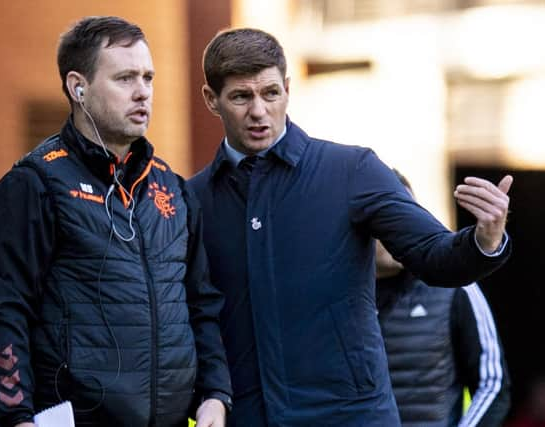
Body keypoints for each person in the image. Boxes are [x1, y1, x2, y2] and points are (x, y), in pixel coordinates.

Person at [188, 27, 512, 426]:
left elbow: (434, 255)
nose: (259, 111)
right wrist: (213, 397)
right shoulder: (195, 200)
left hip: (352, 417)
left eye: (270, 93)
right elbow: (195, 317)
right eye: (241, 96)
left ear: (288, 89)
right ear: (211, 100)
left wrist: (485, 239)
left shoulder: (352, 171)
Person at [0, 16, 232, 427]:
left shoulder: (173, 190)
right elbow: (4, 312)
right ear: (79, 87)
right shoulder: (33, 185)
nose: (143, 92)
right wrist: (17, 418)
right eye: (125, 78)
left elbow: (201, 305)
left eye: (148, 77)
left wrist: (216, 395)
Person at [376, 169, 510, 426]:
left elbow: (492, 386)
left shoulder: (456, 287)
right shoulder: (327, 292)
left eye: (409, 217)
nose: (403, 231)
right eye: (391, 220)